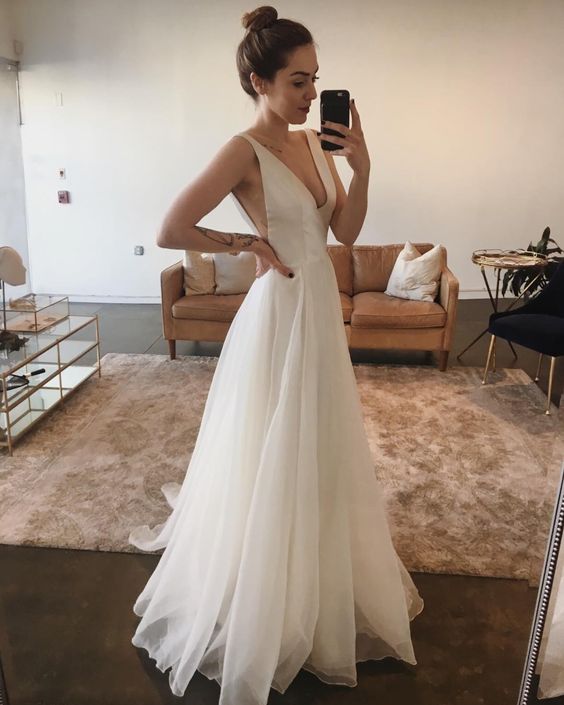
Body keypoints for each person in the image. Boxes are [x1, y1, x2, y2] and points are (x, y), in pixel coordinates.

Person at [128, 6, 424, 704]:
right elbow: (171, 227)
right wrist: (247, 243)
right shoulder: (242, 151)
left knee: (316, 436)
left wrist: (363, 167)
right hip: (279, 308)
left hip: (317, 304)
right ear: (259, 81)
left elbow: (345, 233)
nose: (309, 94)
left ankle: (314, 562)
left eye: (315, 79)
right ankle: (266, 582)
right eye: (297, 81)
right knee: (270, 438)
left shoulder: (317, 143)